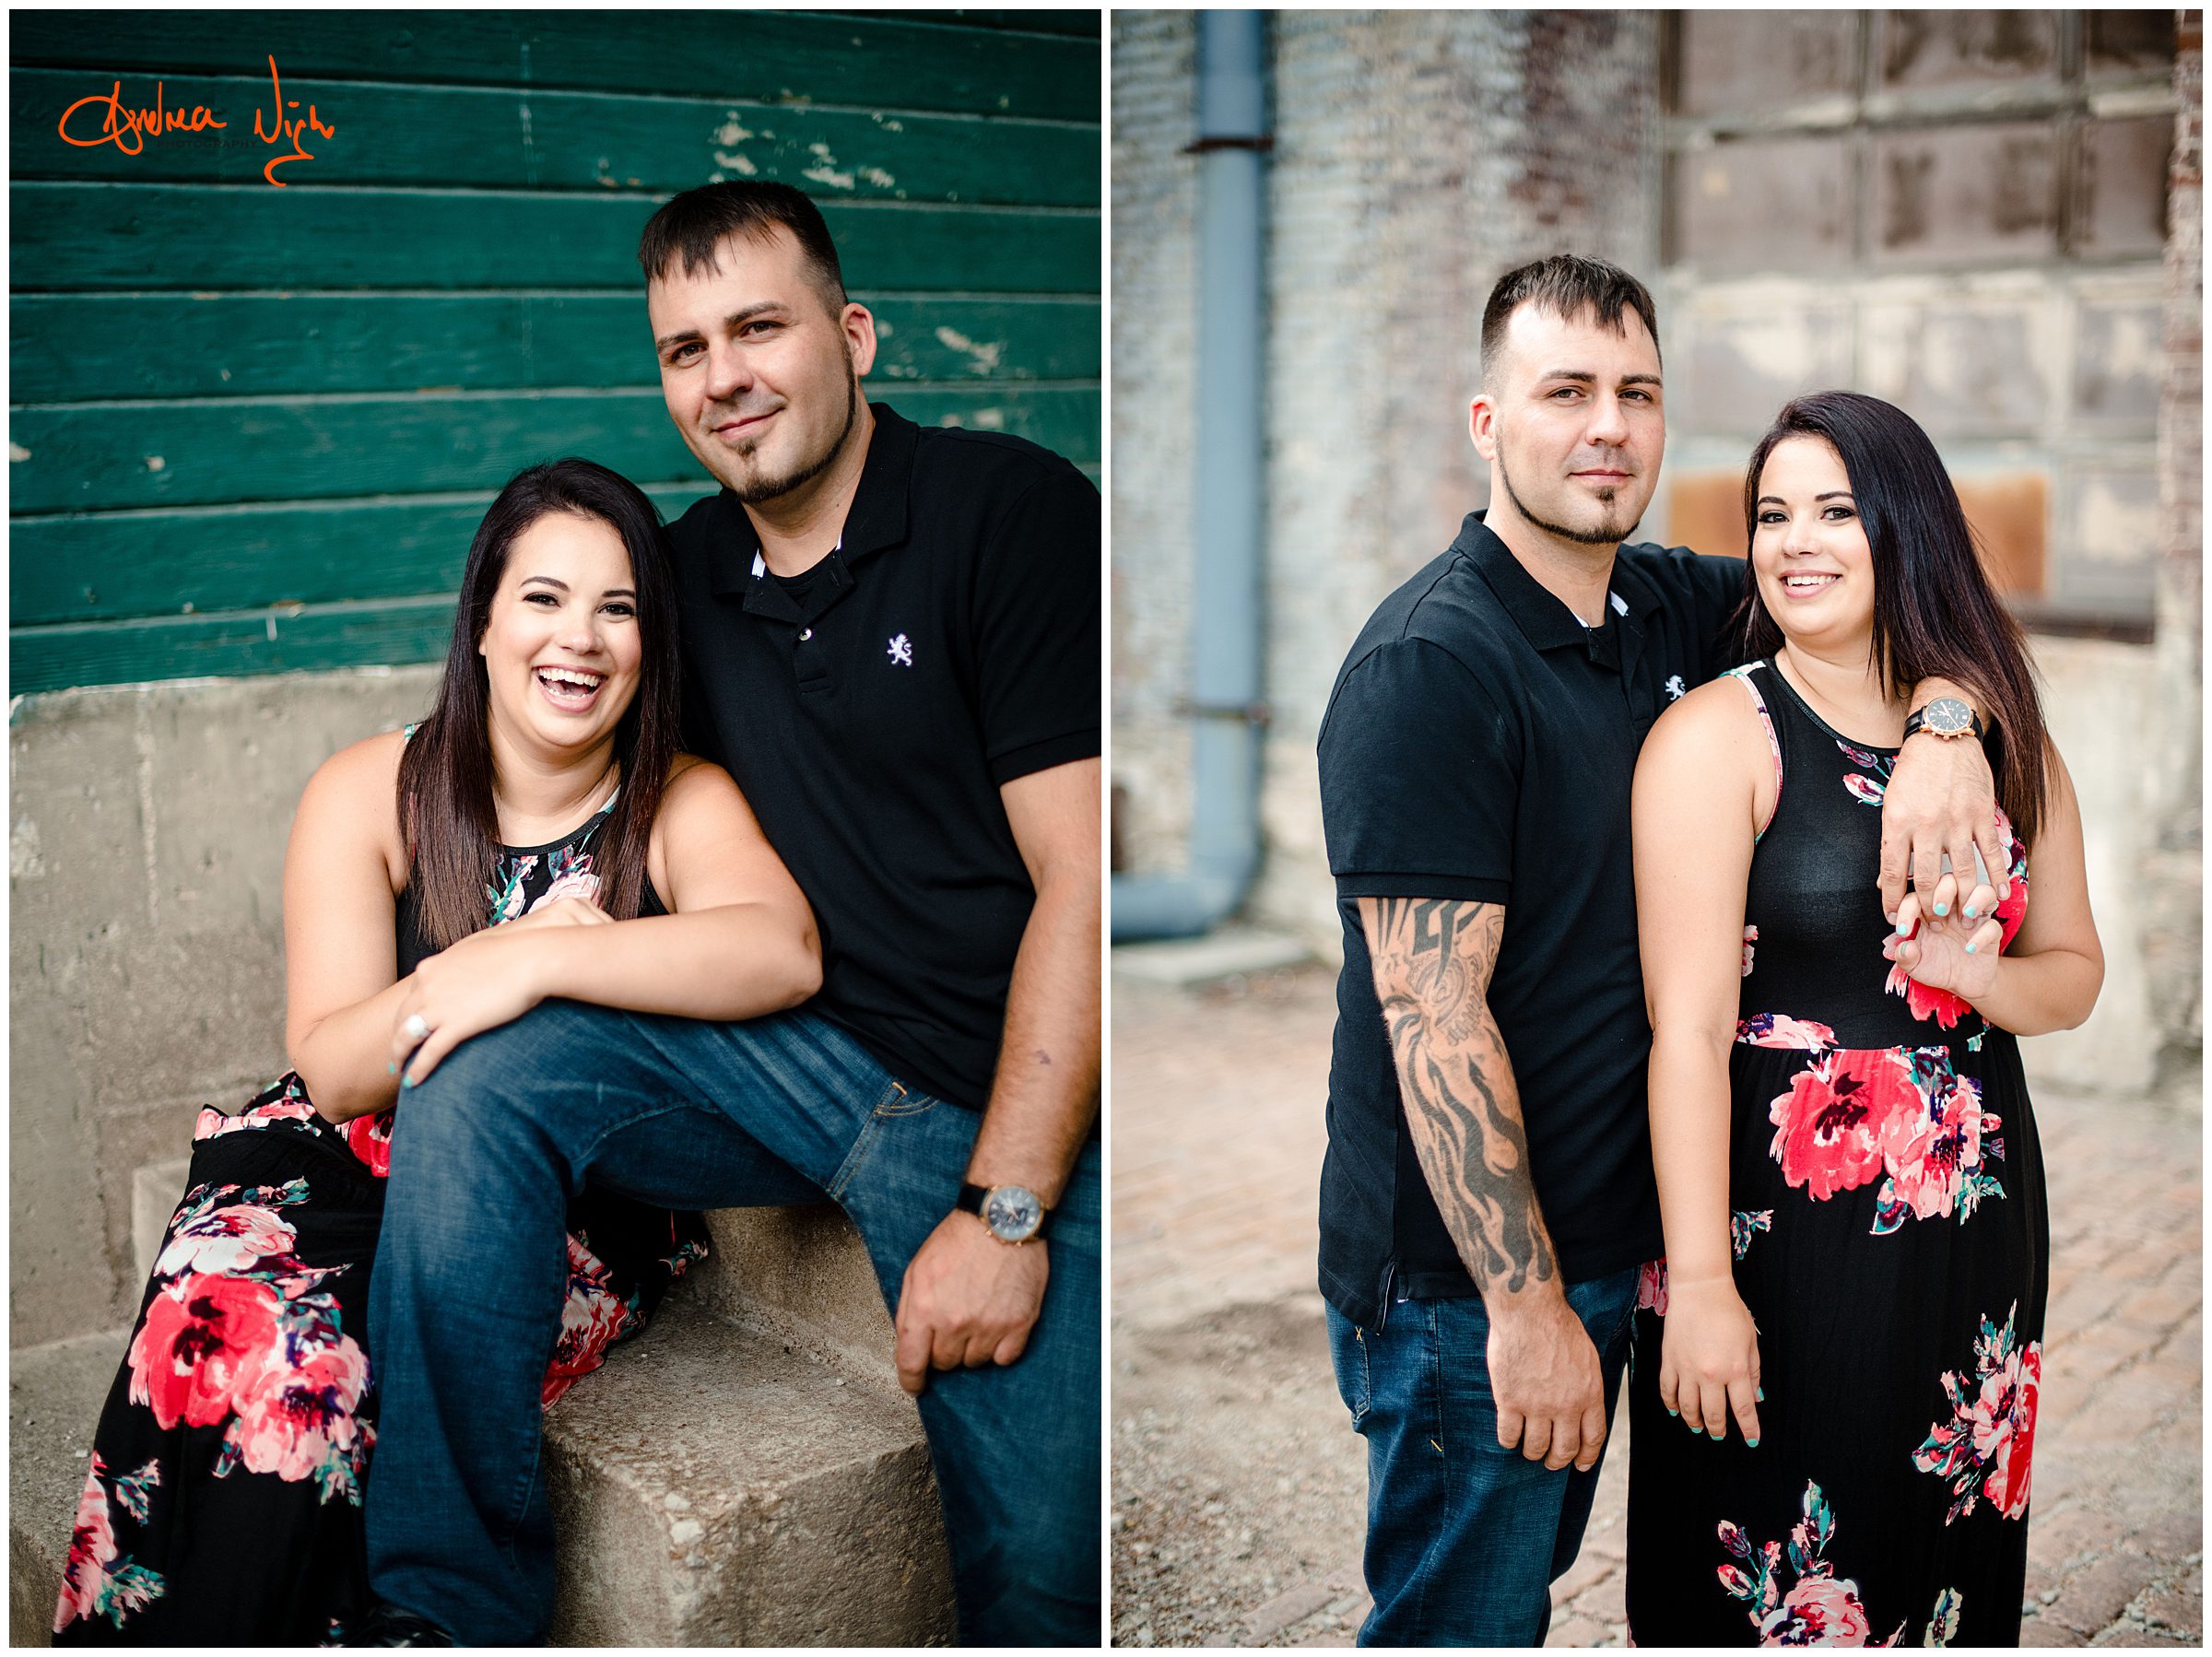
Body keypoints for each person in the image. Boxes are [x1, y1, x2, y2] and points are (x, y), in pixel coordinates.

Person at [358, 181, 1101, 1646]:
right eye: (685, 347)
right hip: (784, 1049)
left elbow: (1082, 879)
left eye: (759, 326)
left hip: (984, 1084)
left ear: (854, 331)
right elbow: (542, 713)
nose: (725, 376)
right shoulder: (681, 578)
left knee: (1045, 1567)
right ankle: (444, 1617)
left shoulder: (1006, 513)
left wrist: (1004, 1209)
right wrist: (519, 945)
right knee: (478, 1072)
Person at [1314, 256, 2009, 1645]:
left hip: (1631, 1232)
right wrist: (1523, 1310)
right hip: (1474, 1273)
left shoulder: (1664, 607)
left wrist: (1944, 728)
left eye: (1637, 392)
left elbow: (1889, 604)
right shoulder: (1428, 668)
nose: (1608, 427)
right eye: (1564, 391)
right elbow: (1432, 1014)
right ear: (1486, 419)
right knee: (1465, 1617)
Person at [53, 458, 823, 1644]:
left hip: (542, 1198)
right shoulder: (375, 789)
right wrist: (493, 953)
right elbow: (340, 1068)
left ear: (651, 642)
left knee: (308, 1366)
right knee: (219, 1310)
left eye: (618, 609)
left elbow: (780, 951)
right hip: (335, 1156)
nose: (581, 640)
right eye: (544, 599)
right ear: (480, 622)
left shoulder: (677, 798)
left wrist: (558, 961)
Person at [1624, 392, 2101, 1645]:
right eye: (1772, 513)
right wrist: (1707, 1286)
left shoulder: (2002, 738)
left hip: (1970, 1239)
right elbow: (1682, 1033)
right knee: (1774, 1568)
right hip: (1779, 1243)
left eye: (1836, 509)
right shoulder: (1715, 736)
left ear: (1905, 528)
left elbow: (2072, 974)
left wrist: (1977, 972)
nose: (1796, 541)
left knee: (1936, 1558)